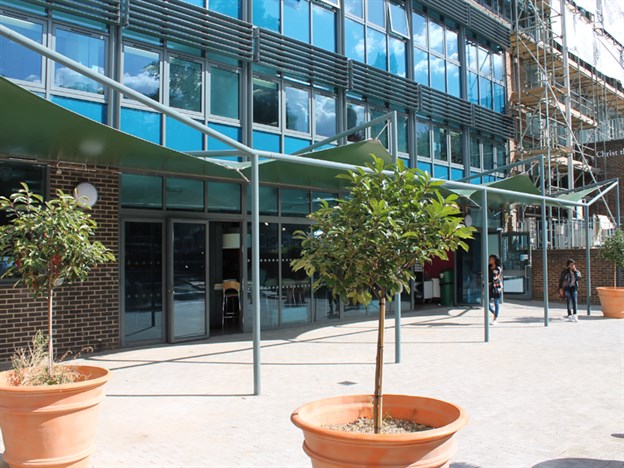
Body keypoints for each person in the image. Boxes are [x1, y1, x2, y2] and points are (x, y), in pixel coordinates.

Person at [488, 255, 503, 325]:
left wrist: (495, 277)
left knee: (496, 302)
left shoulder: (498, 268)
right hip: (490, 286)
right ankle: (495, 313)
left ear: (494, 260)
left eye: (490, 259)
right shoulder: (488, 267)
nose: (489, 260)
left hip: (496, 286)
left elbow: (497, 277)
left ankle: (495, 318)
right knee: (486, 303)